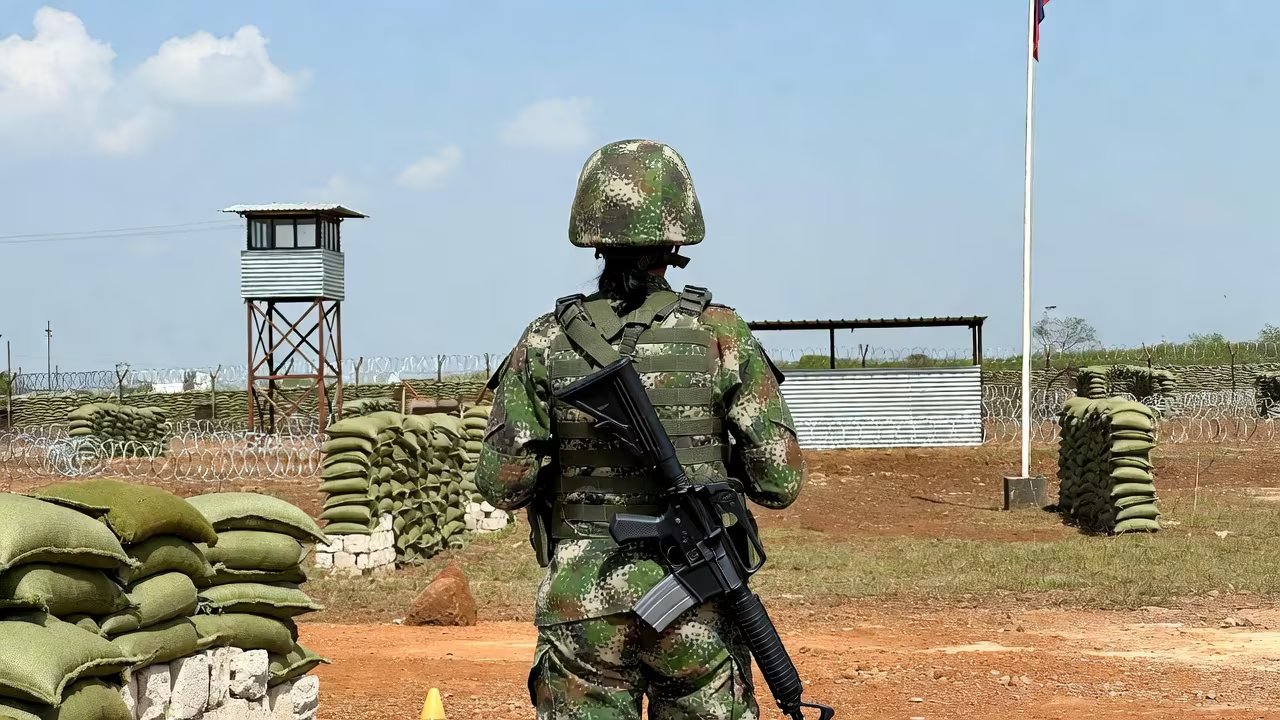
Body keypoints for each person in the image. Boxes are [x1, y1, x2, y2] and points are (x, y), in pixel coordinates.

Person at [475, 138, 807, 719]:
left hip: (584, 602)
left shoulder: (544, 340)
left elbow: (503, 484)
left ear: (593, 233)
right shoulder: (720, 333)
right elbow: (779, 482)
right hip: (697, 600)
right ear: (677, 235)